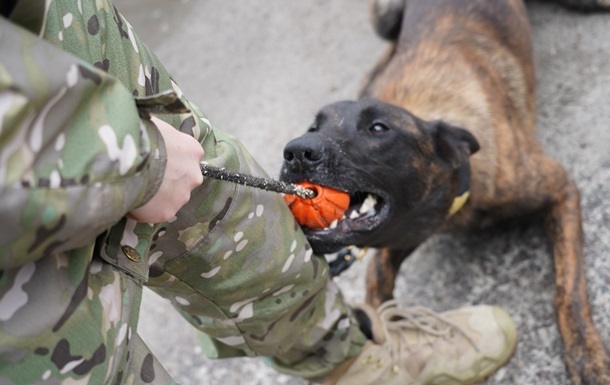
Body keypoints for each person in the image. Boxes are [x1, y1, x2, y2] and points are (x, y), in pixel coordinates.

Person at [0, 1, 518, 384]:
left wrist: (136, 152)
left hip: (49, 25)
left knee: (208, 189)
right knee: (73, 351)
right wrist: (132, 159)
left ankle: (354, 361)